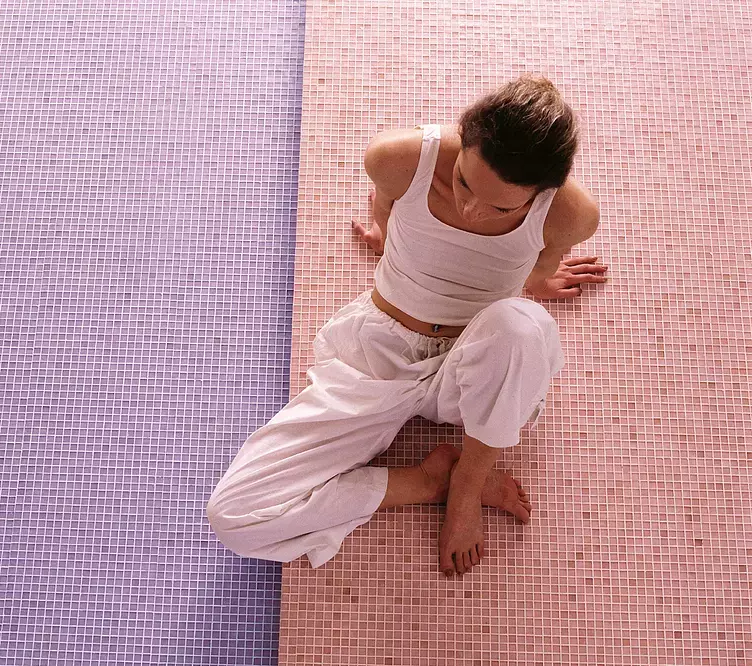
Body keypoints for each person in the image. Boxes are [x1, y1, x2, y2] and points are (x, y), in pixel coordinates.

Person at [206, 74, 608, 577]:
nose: (471, 209)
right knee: (235, 515)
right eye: (464, 182)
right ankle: (431, 481)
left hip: (471, 366)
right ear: (462, 138)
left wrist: (541, 282)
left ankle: (466, 487)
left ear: (542, 194)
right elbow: (387, 212)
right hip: (379, 354)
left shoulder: (569, 215)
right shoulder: (398, 159)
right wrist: (390, 242)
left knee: (523, 325)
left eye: (501, 207)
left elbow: (536, 272)